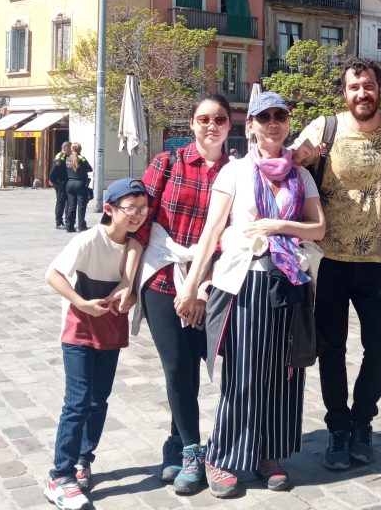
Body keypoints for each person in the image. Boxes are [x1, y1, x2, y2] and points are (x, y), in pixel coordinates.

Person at [175, 91, 326, 497]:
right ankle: (222, 457)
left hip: (290, 280)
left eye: (280, 116)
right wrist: (192, 284)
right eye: (265, 117)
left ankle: (268, 453)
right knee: (244, 375)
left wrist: (277, 225)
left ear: (288, 123)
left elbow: (318, 228)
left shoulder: (301, 175)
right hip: (245, 281)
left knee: (284, 374)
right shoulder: (236, 172)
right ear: (252, 126)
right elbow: (212, 230)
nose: (273, 123)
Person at [293, 58, 381, 470]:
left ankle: (362, 422)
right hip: (330, 262)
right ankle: (339, 428)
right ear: (345, 91)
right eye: (355, 86)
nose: (362, 93)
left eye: (369, 86)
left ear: (380, 90)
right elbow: (286, 166)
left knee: (380, 347)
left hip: (377, 263)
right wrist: (299, 156)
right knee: (331, 349)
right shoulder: (324, 128)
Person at [131, 93, 232, 494]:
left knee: (193, 365)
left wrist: (202, 287)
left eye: (219, 119)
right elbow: (141, 219)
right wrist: (126, 278)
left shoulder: (236, 172)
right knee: (175, 365)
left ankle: (174, 442)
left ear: (229, 126)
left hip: (209, 281)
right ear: (192, 123)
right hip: (160, 277)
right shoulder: (167, 163)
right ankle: (192, 449)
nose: (211, 125)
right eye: (204, 118)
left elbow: (231, 234)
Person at [42, 177, 148, 510]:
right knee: (77, 401)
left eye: (144, 209)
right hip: (79, 327)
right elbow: (53, 274)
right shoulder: (88, 240)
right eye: (131, 208)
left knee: (99, 400)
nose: (138, 215)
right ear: (109, 209)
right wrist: (81, 302)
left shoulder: (134, 246)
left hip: (110, 329)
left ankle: (82, 460)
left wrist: (127, 292)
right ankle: (59, 476)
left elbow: (129, 276)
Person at [64, 144, 92, 233]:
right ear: (80, 149)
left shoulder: (67, 159)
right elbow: (90, 169)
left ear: (71, 149)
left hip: (70, 183)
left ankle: (69, 226)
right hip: (80, 183)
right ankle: (81, 226)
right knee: (81, 206)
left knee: (71, 205)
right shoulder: (82, 159)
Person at [50, 142, 72, 229]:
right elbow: (53, 170)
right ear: (65, 147)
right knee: (61, 202)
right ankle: (58, 222)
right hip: (60, 183)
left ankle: (67, 220)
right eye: (70, 148)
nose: (71, 150)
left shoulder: (67, 156)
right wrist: (52, 180)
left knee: (67, 202)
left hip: (66, 182)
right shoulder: (60, 157)